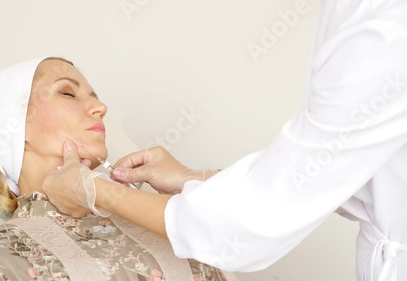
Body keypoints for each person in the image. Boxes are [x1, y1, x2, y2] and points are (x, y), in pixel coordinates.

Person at [42, 1, 407, 281]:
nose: (101, 106)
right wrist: (191, 177)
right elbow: (332, 173)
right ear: (6, 129)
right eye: (67, 94)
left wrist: (100, 192)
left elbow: (263, 213)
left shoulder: (385, 24)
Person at [0, 57, 228, 281]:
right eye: (68, 93)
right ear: (9, 125)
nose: (101, 106)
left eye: (94, 95)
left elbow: (248, 222)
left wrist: (192, 179)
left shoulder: (174, 228)